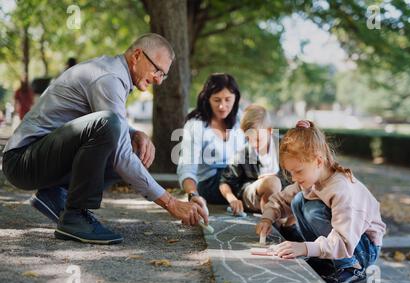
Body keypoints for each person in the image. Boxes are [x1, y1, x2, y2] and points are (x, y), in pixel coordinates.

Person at [2, 33, 208, 245]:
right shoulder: (109, 78)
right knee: (110, 128)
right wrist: (171, 203)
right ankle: (74, 216)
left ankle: (56, 195)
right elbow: (117, 148)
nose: (158, 79)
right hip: (21, 160)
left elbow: (114, 129)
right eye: (157, 69)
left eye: (163, 75)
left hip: (43, 159)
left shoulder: (114, 73)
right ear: (137, 55)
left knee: (133, 144)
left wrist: (135, 133)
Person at [256, 120, 386, 283]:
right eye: (290, 172)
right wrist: (267, 218)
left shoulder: (341, 189)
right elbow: (282, 199)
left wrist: (304, 247)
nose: (294, 178)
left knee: (312, 210)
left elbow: (344, 240)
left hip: (361, 248)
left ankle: (351, 269)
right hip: (343, 243)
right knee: (298, 201)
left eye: (299, 171)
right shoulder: (311, 180)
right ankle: (327, 261)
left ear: (318, 161)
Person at [177, 73, 245, 208]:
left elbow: (260, 143)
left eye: (227, 99)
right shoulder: (195, 124)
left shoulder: (239, 118)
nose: (222, 106)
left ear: (235, 98)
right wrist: (192, 194)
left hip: (237, 177)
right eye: (217, 100)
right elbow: (187, 167)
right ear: (207, 99)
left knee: (270, 184)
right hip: (210, 183)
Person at [219, 104, 284, 214]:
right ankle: (273, 221)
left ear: (269, 130)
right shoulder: (243, 153)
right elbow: (224, 182)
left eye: (258, 139)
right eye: (248, 138)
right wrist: (233, 199)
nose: (253, 144)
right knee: (272, 183)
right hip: (253, 194)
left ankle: (277, 220)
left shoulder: (286, 146)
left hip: (283, 197)